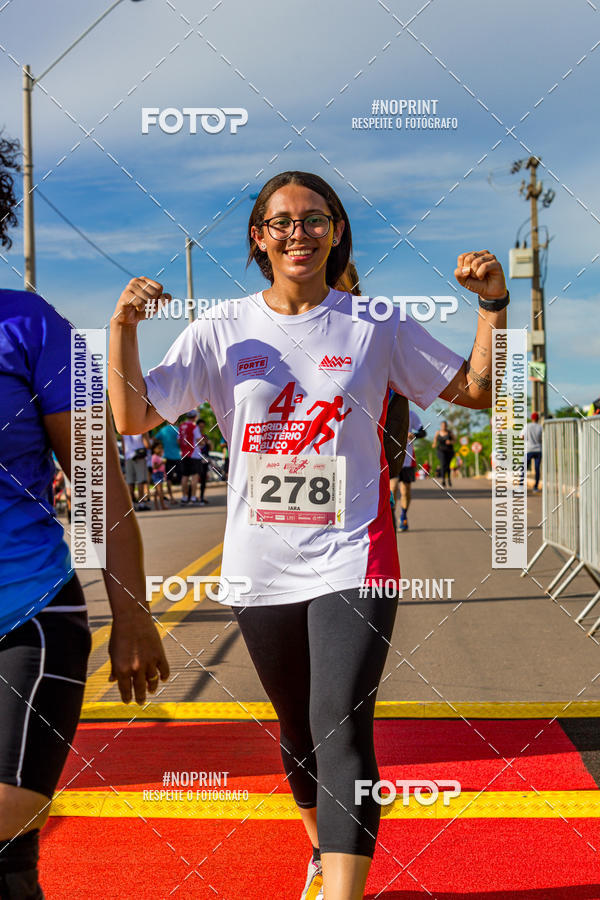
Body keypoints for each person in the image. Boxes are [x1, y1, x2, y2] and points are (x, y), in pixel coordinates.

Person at [108, 170, 509, 900]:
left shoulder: (376, 322)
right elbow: (134, 419)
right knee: (298, 734)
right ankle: (323, 857)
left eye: (316, 219)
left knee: (340, 724)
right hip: (261, 563)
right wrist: (122, 328)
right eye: (283, 222)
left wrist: (493, 307)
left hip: (355, 554)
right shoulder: (221, 328)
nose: (300, 232)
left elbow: (481, 394)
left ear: (337, 231)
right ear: (260, 238)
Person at [0, 133, 169, 899]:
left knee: (9, 810)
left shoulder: (33, 326)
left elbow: (98, 487)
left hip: (26, 618)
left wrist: (131, 617)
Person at [396, 408, 425, 532]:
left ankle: (403, 516)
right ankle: (391, 519)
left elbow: (422, 432)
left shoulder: (411, 414)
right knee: (392, 489)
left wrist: (414, 435)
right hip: (391, 457)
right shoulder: (386, 410)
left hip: (407, 458)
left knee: (405, 491)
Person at [122, 431, 150, 510]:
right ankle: (141, 503)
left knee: (130, 482)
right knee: (141, 481)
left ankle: (132, 504)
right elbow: (147, 445)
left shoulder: (124, 431)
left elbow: (124, 448)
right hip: (139, 457)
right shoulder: (141, 430)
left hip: (128, 458)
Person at [177, 411, 202, 504]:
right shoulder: (194, 426)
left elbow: (178, 441)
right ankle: (193, 497)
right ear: (195, 417)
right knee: (194, 476)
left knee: (185, 476)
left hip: (184, 454)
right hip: (194, 454)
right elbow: (199, 440)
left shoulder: (181, 426)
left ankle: (184, 497)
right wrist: (204, 443)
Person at [154, 420, 181, 500]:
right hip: (177, 456)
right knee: (182, 476)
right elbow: (180, 442)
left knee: (169, 478)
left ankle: (172, 497)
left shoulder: (163, 430)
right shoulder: (178, 429)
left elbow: (155, 439)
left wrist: (160, 447)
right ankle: (184, 496)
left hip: (167, 457)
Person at [432, 420, 455, 487]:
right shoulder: (438, 432)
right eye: (442, 425)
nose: (443, 427)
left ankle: (449, 479)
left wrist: (450, 442)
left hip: (449, 451)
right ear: (441, 426)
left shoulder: (450, 432)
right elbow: (435, 439)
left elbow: (454, 440)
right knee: (443, 464)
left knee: (448, 466)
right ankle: (443, 480)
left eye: (445, 425)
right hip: (440, 451)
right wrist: (434, 444)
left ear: (446, 426)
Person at [526, 411, 543, 492]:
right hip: (538, 450)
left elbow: (521, 436)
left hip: (529, 449)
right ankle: (535, 487)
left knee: (524, 467)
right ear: (538, 419)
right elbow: (542, 438)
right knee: (537, 469)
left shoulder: (527, 426)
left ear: (531, 418)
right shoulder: (540, 427)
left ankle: (520, 486)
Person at [196, 418, 211, 505]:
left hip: (204, 459)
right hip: (196, 459)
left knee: (203, 479)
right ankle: (192, 497)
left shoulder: (205, 436)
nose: (201, 428)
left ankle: (201, 497)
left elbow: (210, 448)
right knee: (194, 478)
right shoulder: (195, 436)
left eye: (203, 427)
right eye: (200, 426)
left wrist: (208, 443)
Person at [151, 440, 168, 510]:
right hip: (157, 474)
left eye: (161, 448)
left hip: (160, 474)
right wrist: (161, 463)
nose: (160, 450)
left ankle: (156, 506)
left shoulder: (159, 456)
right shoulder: (154, 457)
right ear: (154, 449)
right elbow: (154, 467)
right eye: (158, 448)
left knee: (157, 491)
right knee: (160, 491)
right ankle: (162, 505)